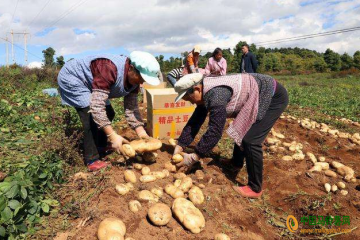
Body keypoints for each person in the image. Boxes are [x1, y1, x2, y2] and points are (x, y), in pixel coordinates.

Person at [172, 73, 288, 198]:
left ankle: (255, 188)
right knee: (242, 129)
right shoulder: (205, 91)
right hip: (258, 91)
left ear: (197, 89)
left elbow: (215, 131)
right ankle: (236, 163)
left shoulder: (216, 95)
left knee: (250, 140)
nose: (191, 103)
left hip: (272, 96)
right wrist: (181, 144)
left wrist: (195, 156)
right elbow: (196, 119)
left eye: (189, 99)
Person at [58, 51, 160, 171]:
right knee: (90, 118)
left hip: (94, 82)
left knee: (109, 112)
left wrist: (142, 133)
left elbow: (131, 108)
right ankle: (92, 160)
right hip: (74, 78)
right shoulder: (108, 68)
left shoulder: (134, 81)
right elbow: (96, 107)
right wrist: (112, 135)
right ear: (131, 68)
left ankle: (101, 145)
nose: (142, 82)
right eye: (141, 78)